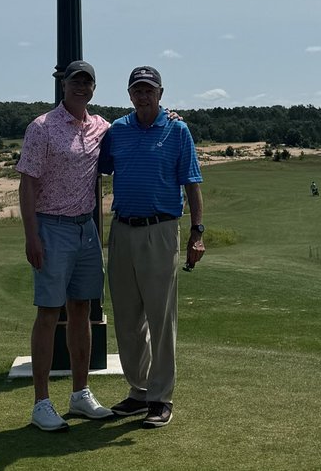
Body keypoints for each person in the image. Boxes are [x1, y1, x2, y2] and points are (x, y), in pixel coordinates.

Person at [98, 66, 204, 430]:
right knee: (128, 318)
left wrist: (197, 231)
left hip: (160, 230)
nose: (143, 96)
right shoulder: (118, 131)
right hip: (123, 230)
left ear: (161, 93)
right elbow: (100, 166)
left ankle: (161, 396)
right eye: (137, 90)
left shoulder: (177, 130)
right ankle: (139, 390)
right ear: (129, 94)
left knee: (160, 319)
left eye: (149, 90)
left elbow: (191, 184)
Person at [16, 59, 115, 432]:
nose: (81, 87)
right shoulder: (42, 128)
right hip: (51, 226)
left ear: (93, 88)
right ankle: (41, 402)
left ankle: (80, 394)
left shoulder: (100, 127)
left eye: (87, 82)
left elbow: (133, 128)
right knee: (48, 312)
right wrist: (32, 235)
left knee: (81, 310)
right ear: (63, 85)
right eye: (75, 81)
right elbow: (27, 184)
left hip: (85, 228)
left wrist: (170, 116)